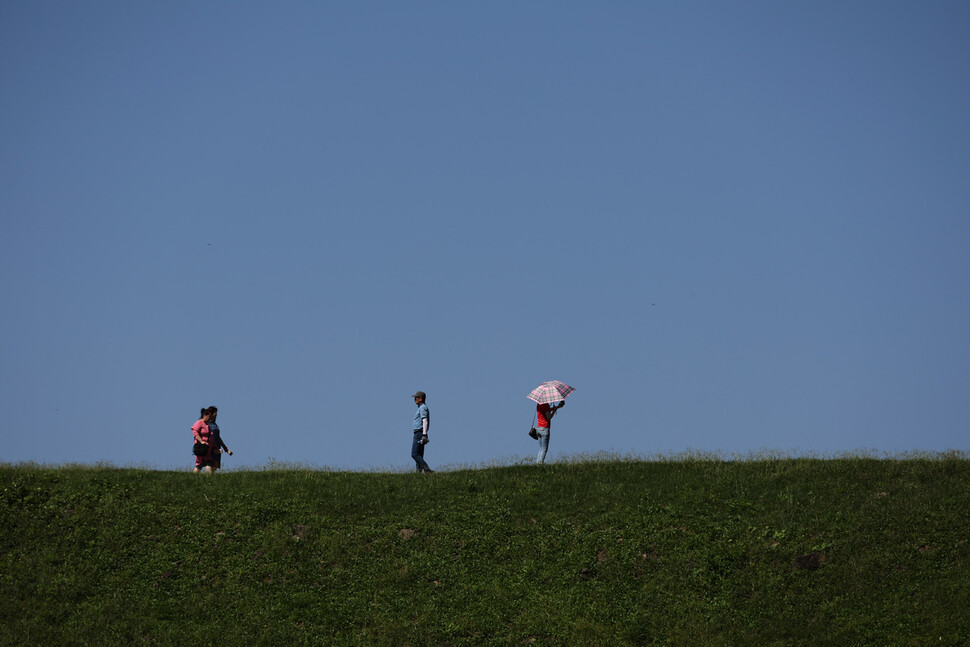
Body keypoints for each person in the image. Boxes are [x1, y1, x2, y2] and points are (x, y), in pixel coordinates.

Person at [534, 400, 565, 465]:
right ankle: (540, 465)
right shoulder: (546, 405)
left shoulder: (539, 404)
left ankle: (537, 463)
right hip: (544, 428)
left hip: (538, 428)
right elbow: (549, 417)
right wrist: (554, 411)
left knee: (541, 449)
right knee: (544, 449)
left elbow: (545, 411)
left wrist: (557, 407)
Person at [410, 391, 433, 474]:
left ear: (420, 399)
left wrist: (424, 434)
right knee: (419, 455)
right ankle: (418, 474)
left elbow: (425, 421)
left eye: (416, 398)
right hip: (419, 433)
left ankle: (427, 469)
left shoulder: (422, 408)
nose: (415, 399)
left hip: (419, 433)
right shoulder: (421, 408)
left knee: (414, 454)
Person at [207, 406, 233, 472]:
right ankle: (207, 478)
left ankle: (210, 479)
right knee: (209, 463)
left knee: (216, 465)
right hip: (210, 447)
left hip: (218, 447)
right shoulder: (207, 424)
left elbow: (218, 437)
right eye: (215, 412)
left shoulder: (215, 425)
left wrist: (225, 448)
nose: (217, 414)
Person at [191, 408, 214, 474]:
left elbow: (211, 437)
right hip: (201, 447)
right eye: (209, 416)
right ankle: (209, 479)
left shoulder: (208, 425)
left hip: (207, 448)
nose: (210, 419)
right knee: (205, 463)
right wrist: (201, 441)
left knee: (200, 465)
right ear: (204, 415)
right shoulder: (199, 423)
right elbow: (195, 432)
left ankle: (194, 477)